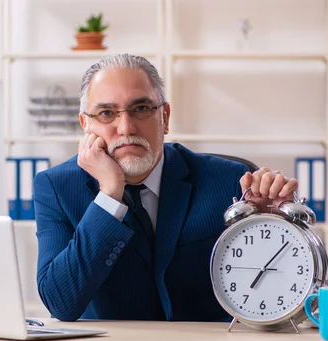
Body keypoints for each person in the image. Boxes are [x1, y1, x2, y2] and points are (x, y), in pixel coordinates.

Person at [32, 54, 298, 322]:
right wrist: (110, 194)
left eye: (141, 108)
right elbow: (60, 303)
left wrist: (279, 226)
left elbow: (284, 294)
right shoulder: (56, 188)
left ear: (165, 117)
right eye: (106, 113)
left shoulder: (231, 181)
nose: (126, 127)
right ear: (85, 125)